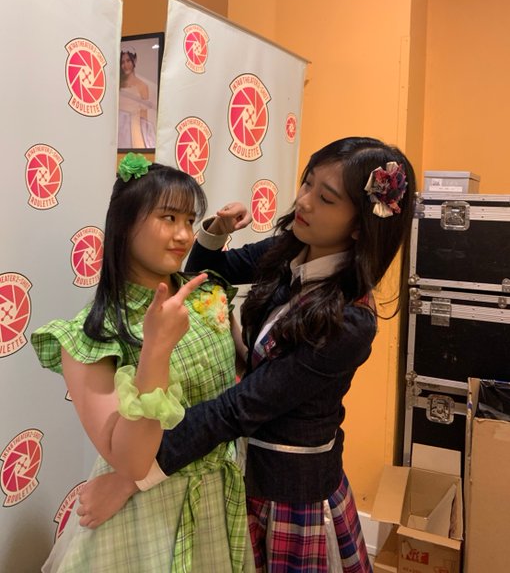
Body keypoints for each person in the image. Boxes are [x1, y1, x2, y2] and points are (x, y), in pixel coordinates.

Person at [78, 137, 416, 573]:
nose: (304, 201)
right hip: (235, 468)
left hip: (288, 492)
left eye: (326, 198)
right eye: (307, 183)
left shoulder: (350, 321)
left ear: (359, 226)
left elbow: (242, 406)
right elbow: (208, 271)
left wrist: (133, 477)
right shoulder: (290, 249)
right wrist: (214, 231)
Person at [31, 153, 255, 573]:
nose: (183, 235)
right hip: (142, 517)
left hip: (217, 496)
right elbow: (131, 462)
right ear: (125, 223)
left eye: (189, 220)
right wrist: (156, 349)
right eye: (168, 218)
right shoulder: (90, 334)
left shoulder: (208, 296)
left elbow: (241, 382)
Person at [118, 47, 156, 149]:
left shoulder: (142, 86)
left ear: (134, 61)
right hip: (118, 131)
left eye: (128, 61)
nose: (125, 65)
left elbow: (144, 117)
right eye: (123, 62)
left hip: (133, 131)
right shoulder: (117, 85)